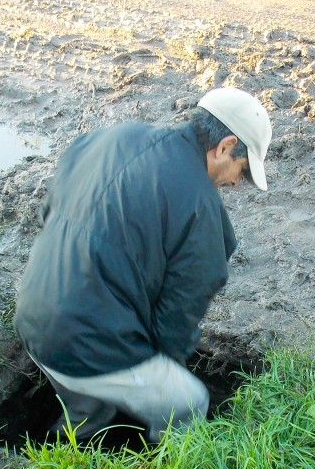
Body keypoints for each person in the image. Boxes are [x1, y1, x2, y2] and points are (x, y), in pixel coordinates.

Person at [14, 87, 272, 442]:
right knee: (188, 400)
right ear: (225, 146)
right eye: (241, 170)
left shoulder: (110, 137)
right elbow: (175, 322)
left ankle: (71, 443)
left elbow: (51, 213)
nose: (235, 182)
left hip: (32, 319)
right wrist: (167, 374)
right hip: (88, 344)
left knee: (90, 401)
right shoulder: (201, 206)